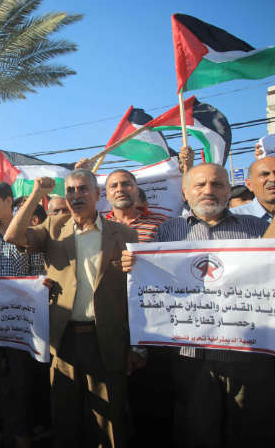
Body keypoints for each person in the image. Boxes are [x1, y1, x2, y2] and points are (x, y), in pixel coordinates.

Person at [121, 163, 275, 448]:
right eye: (200, 184)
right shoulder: (170, 230)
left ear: (229, 189)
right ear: (186, 192)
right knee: (202, 434)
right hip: (192, 357)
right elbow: (154, 282)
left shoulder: (256, 227)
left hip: (251, 355)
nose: (208, 190)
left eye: (217, 184)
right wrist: (134, 265)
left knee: (258, 435)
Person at [4, 170, 140, 448]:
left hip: (107, 341)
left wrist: (137, 345)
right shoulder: (54, 227)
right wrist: (36, 195)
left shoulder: (125, 234)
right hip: (64, 341)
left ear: (98, 194)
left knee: (110, 424)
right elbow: (13, 236)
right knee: (65, 422)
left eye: (83, 189)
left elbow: (136, 291)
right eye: (70, 190)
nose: (76, 195)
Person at [102, 169, 171, 448]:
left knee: (153, 391)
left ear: (135, 188)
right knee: (117, 388)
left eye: (126, 184)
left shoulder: (161, 223)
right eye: (113, 186)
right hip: (112, 316)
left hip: (153, 316)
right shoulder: (97, 225)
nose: (120, 189)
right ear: (106, 194)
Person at [0, 181, 46, 448]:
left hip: (21, 325)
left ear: (9, 201)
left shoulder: (28, 234)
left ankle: (22, 433)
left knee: (22, 381)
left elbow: (38, 272)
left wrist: (43, 284)